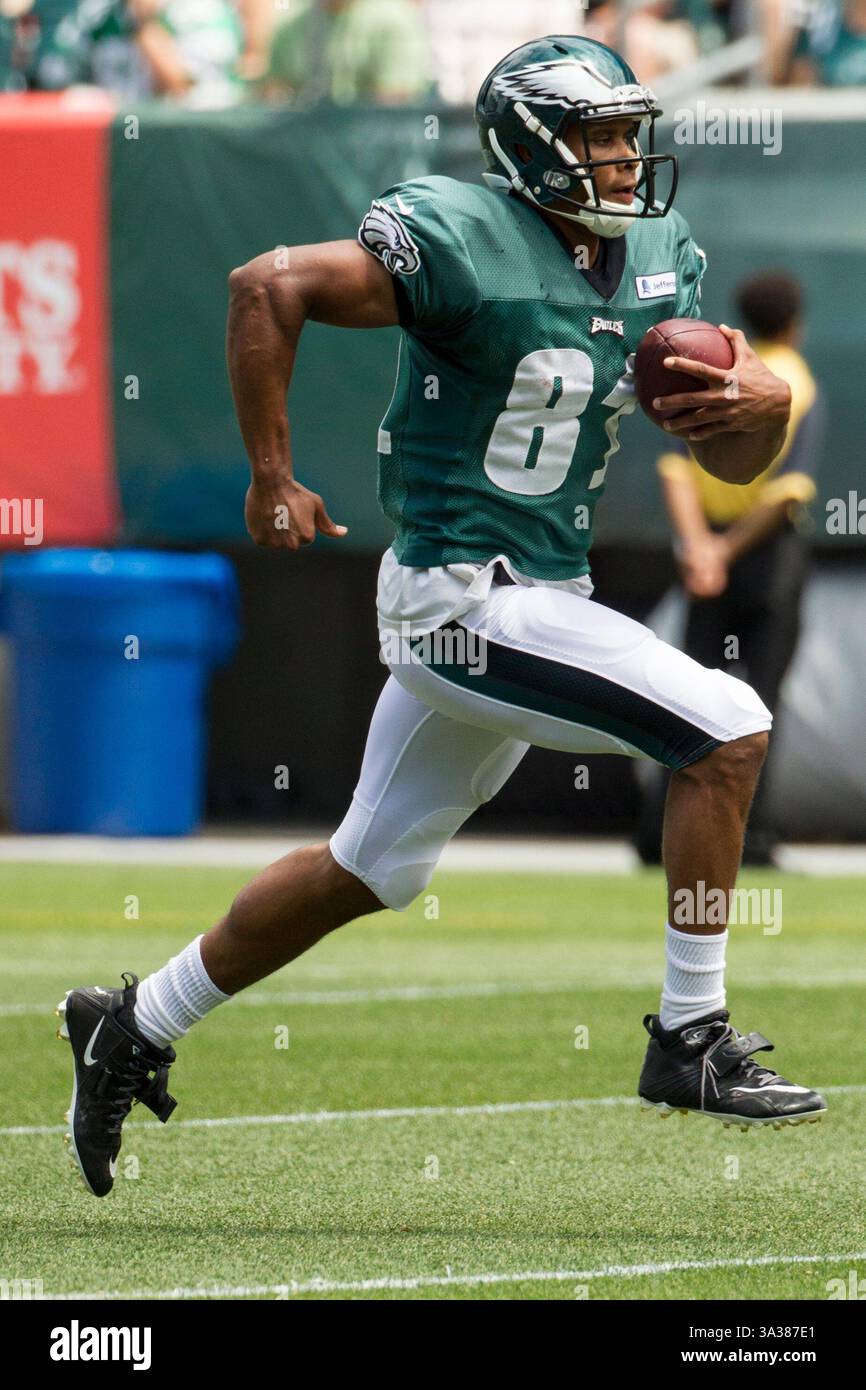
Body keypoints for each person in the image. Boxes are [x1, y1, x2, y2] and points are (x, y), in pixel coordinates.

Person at [57, 34, 825, 1199]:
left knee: (367, 865)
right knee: (723, 724)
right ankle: (688, 1035)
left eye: (629, 133)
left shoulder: (657, 253)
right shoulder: (464, 238)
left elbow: (731, 445)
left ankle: (132, 1018)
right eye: (599, 136)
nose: (625, 158)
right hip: (463, 596)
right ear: (531, 147)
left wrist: (757, 409)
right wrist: (270, 472)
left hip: (537, 594)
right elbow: (265, 284)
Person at [640, 272, 823, 866]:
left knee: (685, 699)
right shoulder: (793, 383)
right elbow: (788, 492)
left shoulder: (712, 368)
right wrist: (724, 551)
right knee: (759, 700)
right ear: (795, 322)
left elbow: (676, 469)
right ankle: (752, 840)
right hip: (763, 558)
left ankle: (654, 838)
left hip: (706, 558)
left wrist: (699, 548)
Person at [262, 0, 428, 105]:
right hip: (304, 145)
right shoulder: (290, 22)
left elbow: (397, 100)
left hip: (370, 145)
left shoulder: (394, 18)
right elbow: (273, 91)